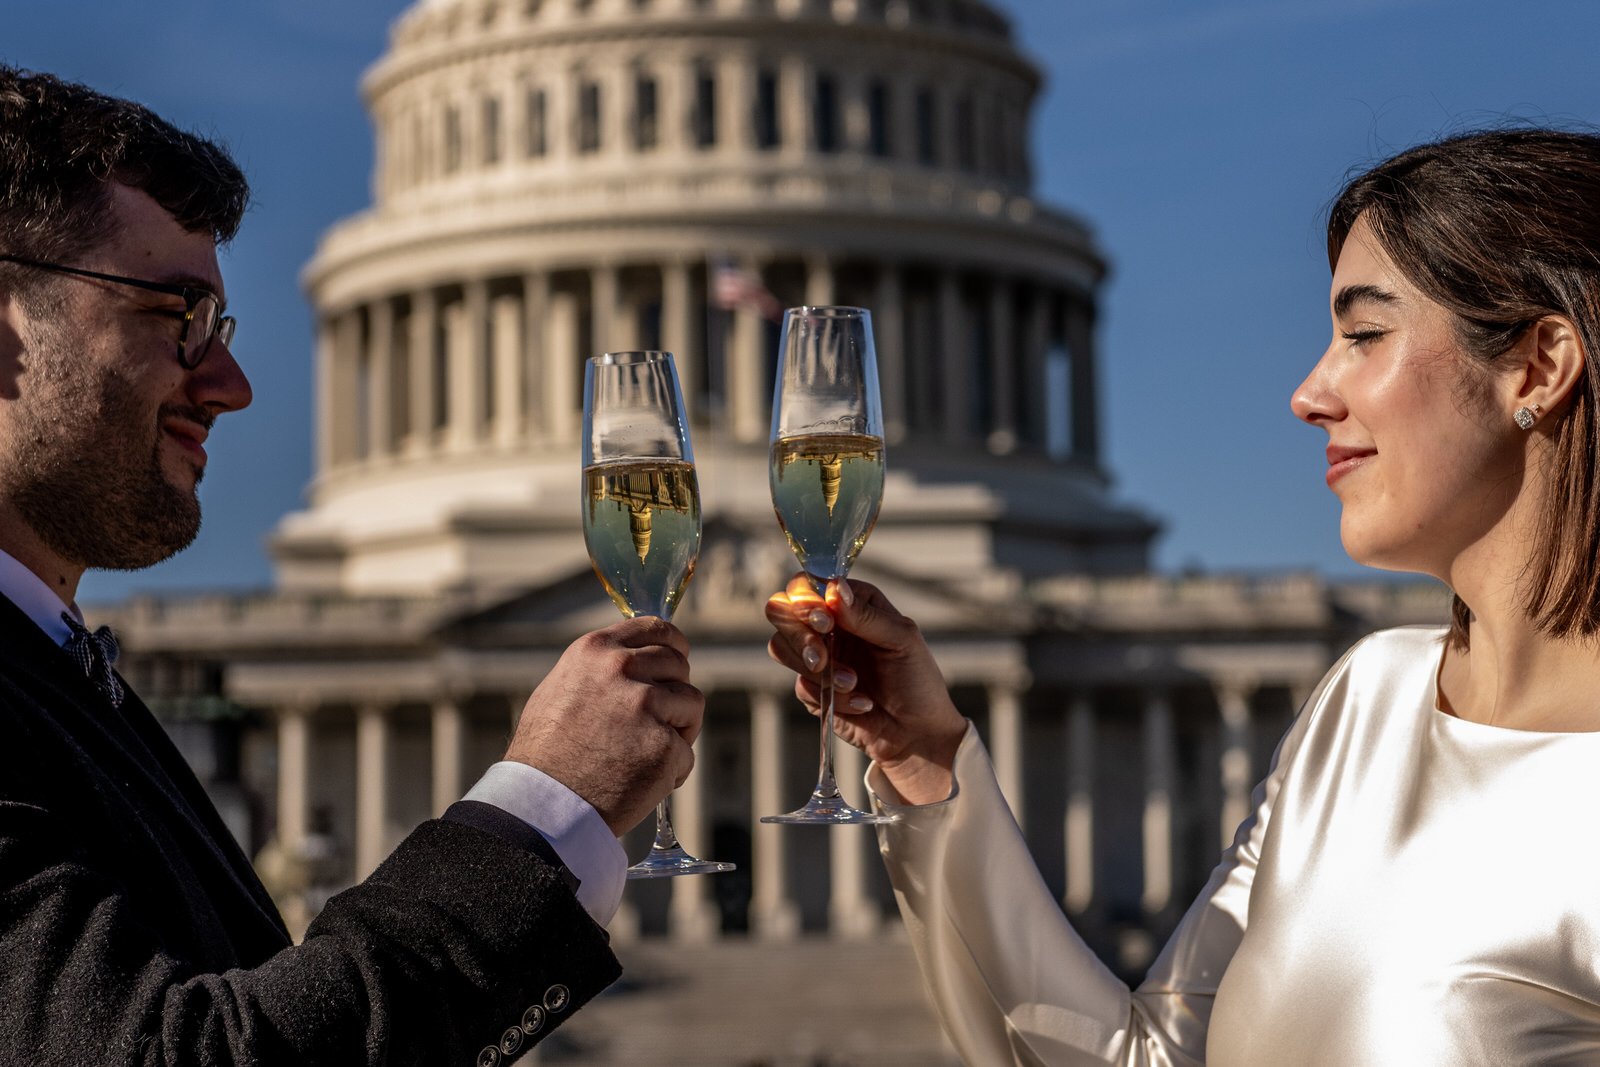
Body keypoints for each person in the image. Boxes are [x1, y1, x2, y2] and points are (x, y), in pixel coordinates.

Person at [767, 127, 1600, 1065]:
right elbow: (1146, 1056)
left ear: (1540, 365)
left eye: (1365, 334)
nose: (1308, 392)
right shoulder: (1365, 698)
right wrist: (924, 758)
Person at [0, 67, 701, 1065]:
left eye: (222, 328)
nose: (233, 385)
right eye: (177, 315)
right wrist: (543, 810)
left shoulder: (62, 676)